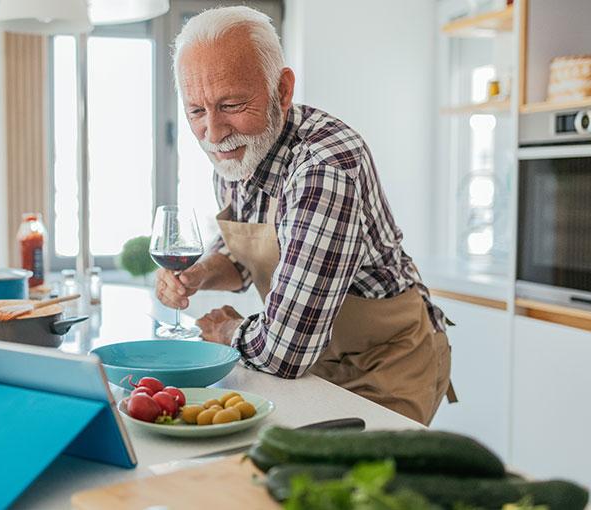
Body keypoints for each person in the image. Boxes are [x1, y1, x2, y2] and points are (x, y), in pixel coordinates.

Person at [155, 6, 455, 425]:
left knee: (354, 488)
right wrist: (200, 273)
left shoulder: (324, 168)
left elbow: (285, 351)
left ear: (282, 90)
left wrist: (226, 331)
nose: (214, 132)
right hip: (312, 359)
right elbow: (246, 256)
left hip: (385, 365)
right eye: (196, 111)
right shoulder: (236, 150)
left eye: (232, 104)